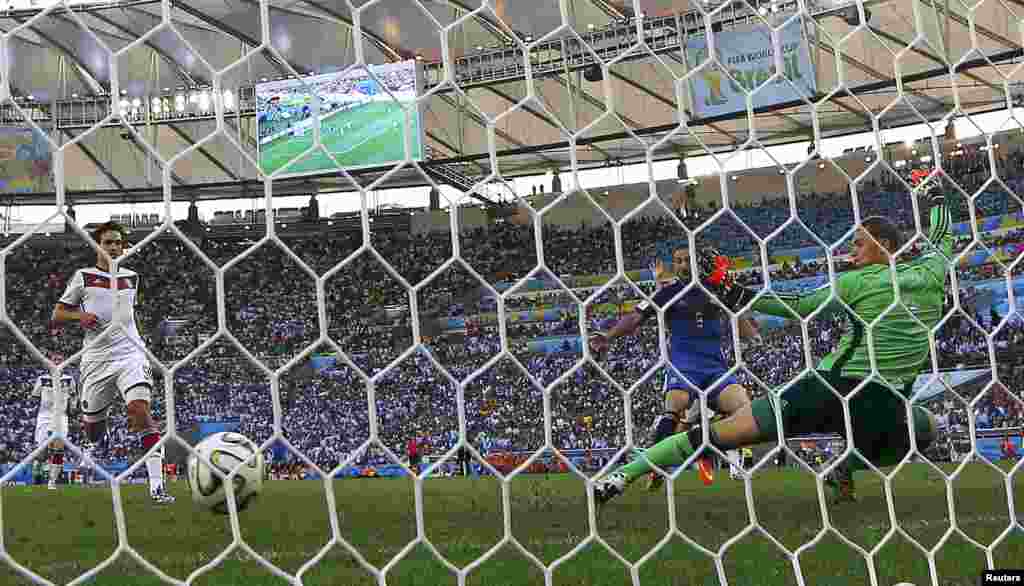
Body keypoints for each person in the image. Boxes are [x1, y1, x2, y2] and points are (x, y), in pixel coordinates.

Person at [595, 173, 950, 506]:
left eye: (858, 243)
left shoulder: (858, 282)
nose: (851, 251)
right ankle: (845, 467)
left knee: (717, 434)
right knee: (925, 430)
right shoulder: (933, 269)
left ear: (884, 244)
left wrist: (736, 293)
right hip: (883, 401)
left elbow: (799, 305)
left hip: (828, 391)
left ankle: (624, 476)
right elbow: (942, 233)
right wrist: (935, 194)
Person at [590, 245, 761, 490]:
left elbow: (747, 333)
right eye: (678, 261)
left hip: (716, 369)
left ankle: (736, 461)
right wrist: (609, 335)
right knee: (675, 408)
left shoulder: (720, 291)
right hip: (684, 368)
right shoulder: (667, 294)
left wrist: (740, 315)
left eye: (687, 260)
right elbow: (635, 318)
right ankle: (650, 470)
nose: (682, 265)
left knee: (743, 405)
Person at [51, 221, 174, 504]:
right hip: (95, 361)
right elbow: (57, 315)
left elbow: (127, 314)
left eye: (118, 242)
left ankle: (157, 487)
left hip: (130, 354)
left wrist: (143, 343)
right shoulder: (83, 277)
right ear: (98, 245)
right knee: (93, 429)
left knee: (140, 410)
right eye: (108, 242)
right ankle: (95, 435)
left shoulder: (132, 276)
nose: (114, 247)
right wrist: (78, 317)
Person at [32, 352, 76, 491]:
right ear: (49, 362)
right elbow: (35, 397)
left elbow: (73, 397)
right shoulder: (42, 379)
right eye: (54, 359)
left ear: (64, 362)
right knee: (41, 452)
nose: (57, 361)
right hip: (44, 415)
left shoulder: (69, 379)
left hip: (61, 416)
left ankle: (52, 481)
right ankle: (37, 470)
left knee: (59, 448)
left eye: (60, 359)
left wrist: (72, 408)